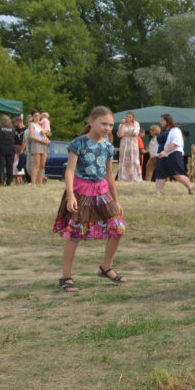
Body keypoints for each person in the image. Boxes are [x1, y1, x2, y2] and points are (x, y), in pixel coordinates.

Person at [52, 106, 126, 292]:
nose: (107, 128)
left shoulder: (108, 146)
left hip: (102, 193)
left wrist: (116, 201)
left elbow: (110, 175)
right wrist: (70, 196)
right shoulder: (78, 143)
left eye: (110, 125)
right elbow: (69, 171)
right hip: (80, 193)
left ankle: (106, 267)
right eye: (103, 124)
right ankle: (66, 277)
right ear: (91, 121)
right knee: (74, 234)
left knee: (118, 228)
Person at [153, 114, 195, 195]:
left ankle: (190, 187)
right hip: (161, 155)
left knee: (177, 174)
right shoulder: (163, 131)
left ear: (167, 121)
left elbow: (175, 143)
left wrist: (165, 151)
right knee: (161, 174)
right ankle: (157, 192)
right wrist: (158, 153)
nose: (160, 122)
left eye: (162, 120)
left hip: (173, 154)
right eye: (160, 120)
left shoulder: (175, 130)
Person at [0, 115, 16, 186]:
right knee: (9, 166)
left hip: (0, 148)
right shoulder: (12, 128)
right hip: (11, 149)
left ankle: (1, 182)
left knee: (1, 166)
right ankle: (9, 181)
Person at [117, 112, 142, 182]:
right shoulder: (122, 124)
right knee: (124, 159)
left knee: (134, 159)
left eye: (130, 117)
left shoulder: (136, 123)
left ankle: (134, 177)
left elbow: (135, 133)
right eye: (127, 116)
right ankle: (123, 177)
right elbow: (120, 135)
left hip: (132, 143)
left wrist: (126, 134)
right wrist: (122, 124)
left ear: (132, 118)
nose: (128, 118)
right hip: (124, 143)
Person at [27, 111, 50, 185]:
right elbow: (31, 136)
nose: (37, 117)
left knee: (42, 166)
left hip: (44, 145)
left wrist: (47, 139)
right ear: (33, 117)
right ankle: (33, 183)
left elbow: (46, 134)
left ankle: (39, 182)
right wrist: (42, 141)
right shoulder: (31, 124)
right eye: (35, 116)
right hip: (36, 144)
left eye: (38, 116)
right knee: (36, 165)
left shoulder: (41, 125)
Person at [12, 116, 27, 185]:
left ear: (18, 122)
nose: (14, 124)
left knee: (24, 165)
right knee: (17, 165)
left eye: (14, 122)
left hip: (24, 149)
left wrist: (22, 149)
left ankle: (26, 180)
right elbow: (13, 140)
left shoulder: (26, 129)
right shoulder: (15, 130)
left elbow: (26, 140)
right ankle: (19, 182)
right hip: (16, 150)